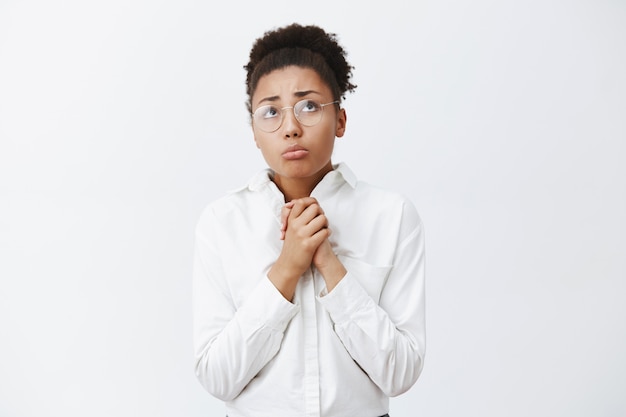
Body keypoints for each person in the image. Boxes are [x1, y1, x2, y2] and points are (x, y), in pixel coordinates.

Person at [192, 23, 426, 417]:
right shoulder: (221, 223)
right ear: (254, 131)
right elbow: (217, 377)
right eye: (270, 112)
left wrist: (329, 265)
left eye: (309, 106)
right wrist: (286, 268)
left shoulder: (392, 216)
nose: (291, 127)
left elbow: (400, 373)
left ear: (341, 120)